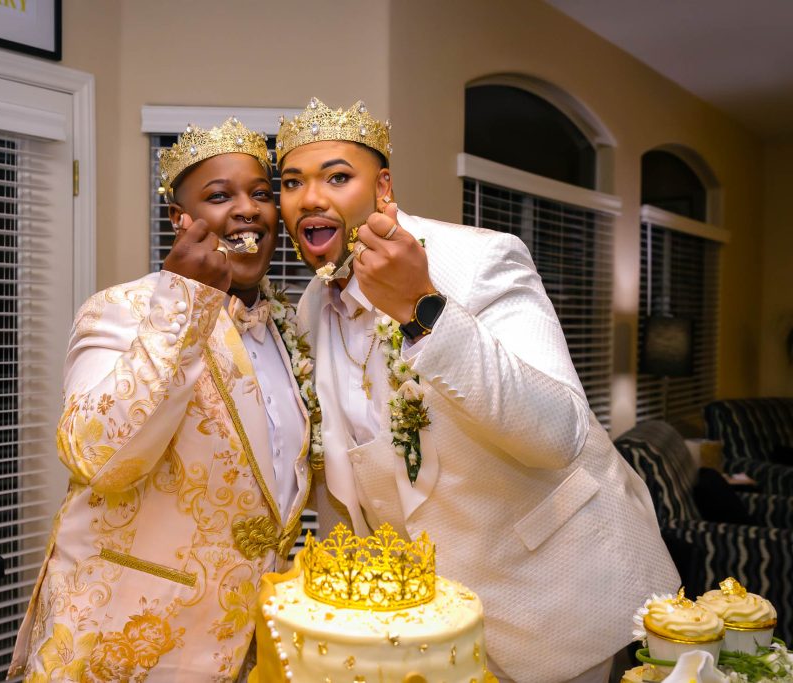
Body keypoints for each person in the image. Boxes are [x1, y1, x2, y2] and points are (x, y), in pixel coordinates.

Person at [276, 98, 680, 683]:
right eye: (292, 182)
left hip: (556, 595)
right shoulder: (313, 306)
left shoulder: (481, 260)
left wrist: (423, 310)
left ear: (382, 186)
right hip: (427, 628)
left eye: (337, 176)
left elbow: (558, 433)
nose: (310, 198)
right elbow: (346, 481)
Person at [9, 117, 316, 682]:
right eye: (221, 196)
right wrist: (183, 302)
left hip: (237, 648)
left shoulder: (287, 329)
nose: (248, 208)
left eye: (262, 194)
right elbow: (95, 457)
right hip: (119, 638)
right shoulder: (120, 309)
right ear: (182, 220)